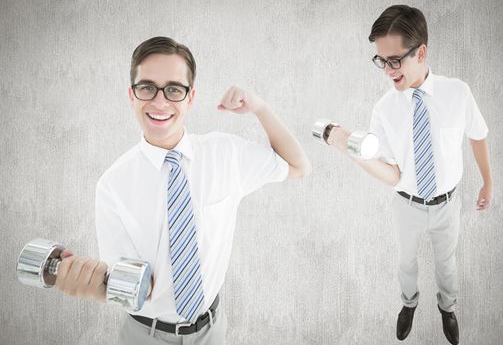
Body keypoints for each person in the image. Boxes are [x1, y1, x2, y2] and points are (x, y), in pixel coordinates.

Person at [54, 36, 311, 345]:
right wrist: (90, 283)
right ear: (131, 95)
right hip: (145, 335)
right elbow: (132, 287)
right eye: (147, 87)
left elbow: (298, 167)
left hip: (212, 330)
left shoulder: (224, 153)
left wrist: (260, 108)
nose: (160, 102)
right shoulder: (113, 185)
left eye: (174, 89)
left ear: (191, 97)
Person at [327, 5, 492, 345]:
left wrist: (488, 181)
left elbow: (477, 134)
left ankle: (447, 308)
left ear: (421, 52)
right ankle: (408, 304)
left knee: (447, 263)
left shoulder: (457, 92)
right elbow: (392, 174)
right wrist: (352, 151)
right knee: (406, 262)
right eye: (380, 61)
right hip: (406, 204)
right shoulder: (384, 109)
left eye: (394, 61)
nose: (386, 70)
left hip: (448, 203)